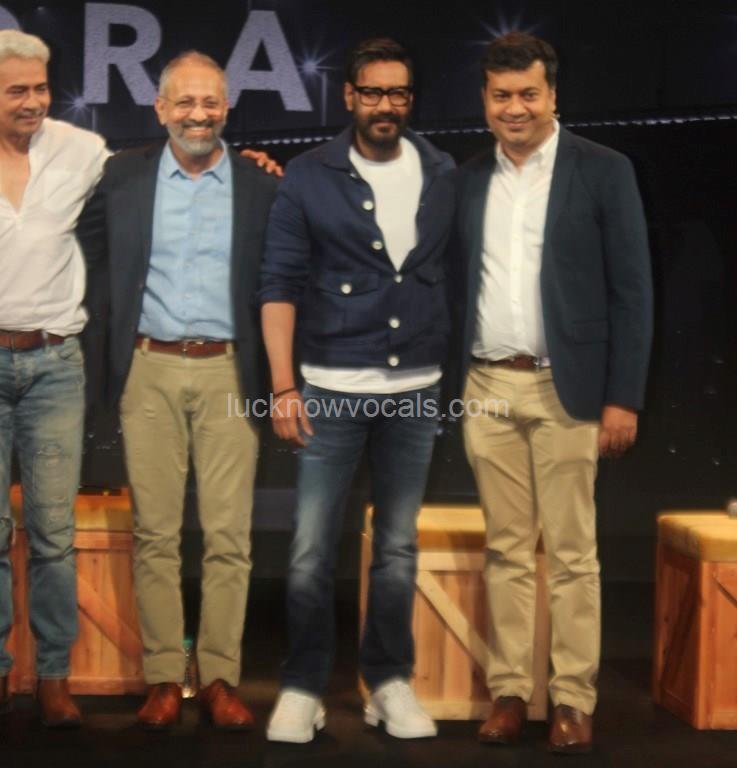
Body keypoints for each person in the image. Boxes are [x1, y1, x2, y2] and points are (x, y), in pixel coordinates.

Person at [456, 32, 653, 753]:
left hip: (566, 387)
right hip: (486, 384)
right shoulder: (467, 178)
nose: (515, 108)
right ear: (485, 100)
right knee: (506, 549)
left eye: (528, 94)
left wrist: (622, 396)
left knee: (572, 552)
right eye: (501, 95)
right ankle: (510, 693)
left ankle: (572, 700)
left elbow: (632, 291)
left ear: (552, 96)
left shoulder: (602, 170)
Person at [259, 37, 455, 743]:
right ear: (349, 97)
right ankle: (303, 686)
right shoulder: (308, 175)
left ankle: (389, 682)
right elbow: (278, 284)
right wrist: (284, 387)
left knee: (396, 546)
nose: (384, 105)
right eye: (371, 92)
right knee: (311, 548)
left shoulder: (442, 170)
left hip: (416, 389)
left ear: (410, 100)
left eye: (397, 93)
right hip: (329, 387)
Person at [78, 50, 279, 731]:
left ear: (227, 108)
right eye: (185, 103)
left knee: (229, 536)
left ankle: (219, 677)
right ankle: (164, 677)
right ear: (160, 109)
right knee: (155, 533)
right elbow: (86, 257)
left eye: (211, 103)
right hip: (149, 368)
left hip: (230, 370)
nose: (199, 115)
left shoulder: (259, 184)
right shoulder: (121, 177)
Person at [0, 29, 108, 727]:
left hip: (55, 365)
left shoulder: (81, 150)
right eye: (18, 90)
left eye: (41, 88)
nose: (34, 101)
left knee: (52, 533)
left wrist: (246, 161)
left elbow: (150, 177)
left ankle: (53, 677)